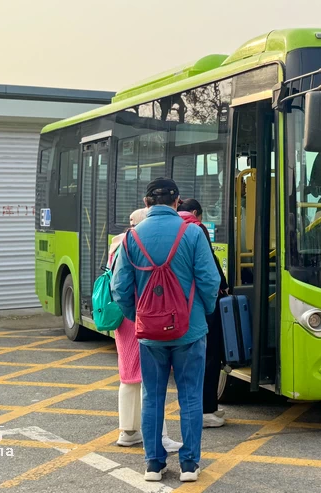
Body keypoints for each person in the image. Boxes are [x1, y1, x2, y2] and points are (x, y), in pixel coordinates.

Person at [112, 178, 221, 483]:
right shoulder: (192, 232)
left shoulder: (132, 237)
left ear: (146, 204)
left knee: (152, 396)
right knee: (189, 396)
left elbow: (119, 288)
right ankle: (189, 465)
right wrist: (201, 314)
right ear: (176, 203)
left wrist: (140, 316)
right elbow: (210, 282)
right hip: (190, 330)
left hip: (149, 333)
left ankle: (153, 464)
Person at [109, 208, 182, 452]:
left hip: (125, 318)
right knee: (151, 379)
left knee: (128, 375)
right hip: (142, 316)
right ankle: (159, 436)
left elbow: (118, 285)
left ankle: (127, 431)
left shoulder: (118, 244)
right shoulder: (138, 244)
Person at [177, 198, 229, 428]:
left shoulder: (173, 228)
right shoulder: (197, 229)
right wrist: (219, 294)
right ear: (196, 212)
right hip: (202, 305)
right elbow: (210, 269)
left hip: (179, 305)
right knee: (210, 356)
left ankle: (202, 409)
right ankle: (206, 410)